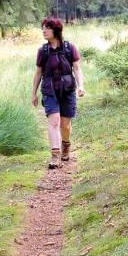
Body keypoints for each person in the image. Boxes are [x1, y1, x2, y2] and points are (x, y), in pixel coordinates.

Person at [31, 17, 86, 169]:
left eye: (47, 28)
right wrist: (33, 94)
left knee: (65, 125)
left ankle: (66, 145)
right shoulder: (43, 51)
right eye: (42, 28)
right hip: (49, 90)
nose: (44, 30)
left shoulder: (69, 48)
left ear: (56, 30)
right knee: (54, 121)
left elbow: (76, 68)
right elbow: (38, 73)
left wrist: (81, 86)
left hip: (67, 89)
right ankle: (55, 155)